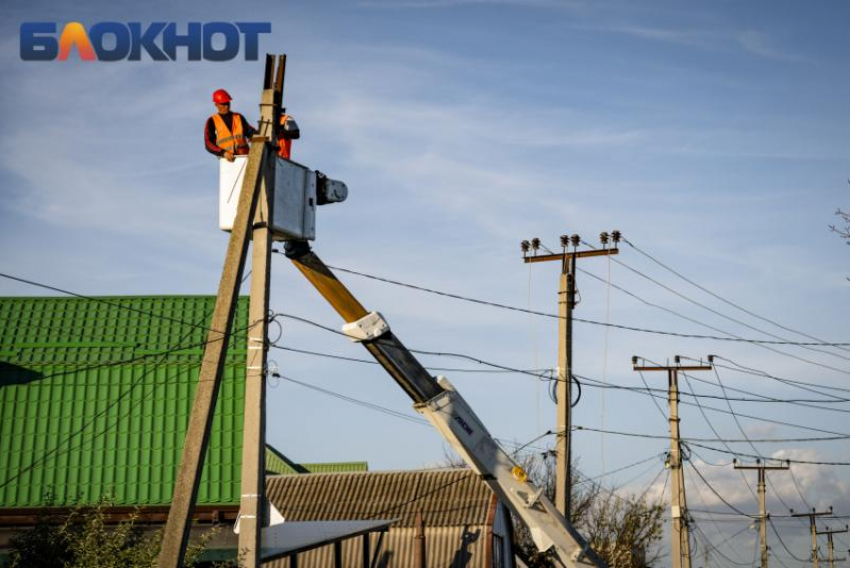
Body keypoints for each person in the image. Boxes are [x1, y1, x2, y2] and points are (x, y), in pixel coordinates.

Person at [204, 89, 257, 161]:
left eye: (228, 103)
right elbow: (208, 143)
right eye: (223, 104)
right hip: (227, 161)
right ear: (216, 104)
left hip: (244, 158)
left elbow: (250, 132)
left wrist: (257, 135)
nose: (227, 106)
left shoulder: (238, 117)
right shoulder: (212, 121)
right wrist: (223, 153)